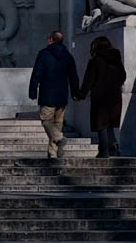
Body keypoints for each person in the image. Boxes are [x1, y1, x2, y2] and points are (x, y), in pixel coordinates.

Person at [28, 30, 81, 159]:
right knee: (58, 123)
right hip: (62, 94)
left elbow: (37, 73)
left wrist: (33, 91)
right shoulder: (68, 55)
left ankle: (59, 138)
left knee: (46, 120)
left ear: (51, 39)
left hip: (47, 93)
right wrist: (75, 92)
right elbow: (73, 76)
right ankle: (53, 152)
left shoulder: (44, 54)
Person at [82, 35, 127, 158]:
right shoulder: (117, 60)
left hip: (100, 96)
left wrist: (81, 94)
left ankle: (104, 150)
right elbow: (123, 76)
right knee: (110, 123)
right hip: (115, 96)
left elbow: (88, 81)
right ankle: (113, 145)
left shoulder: (95, 61)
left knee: (101, 124)